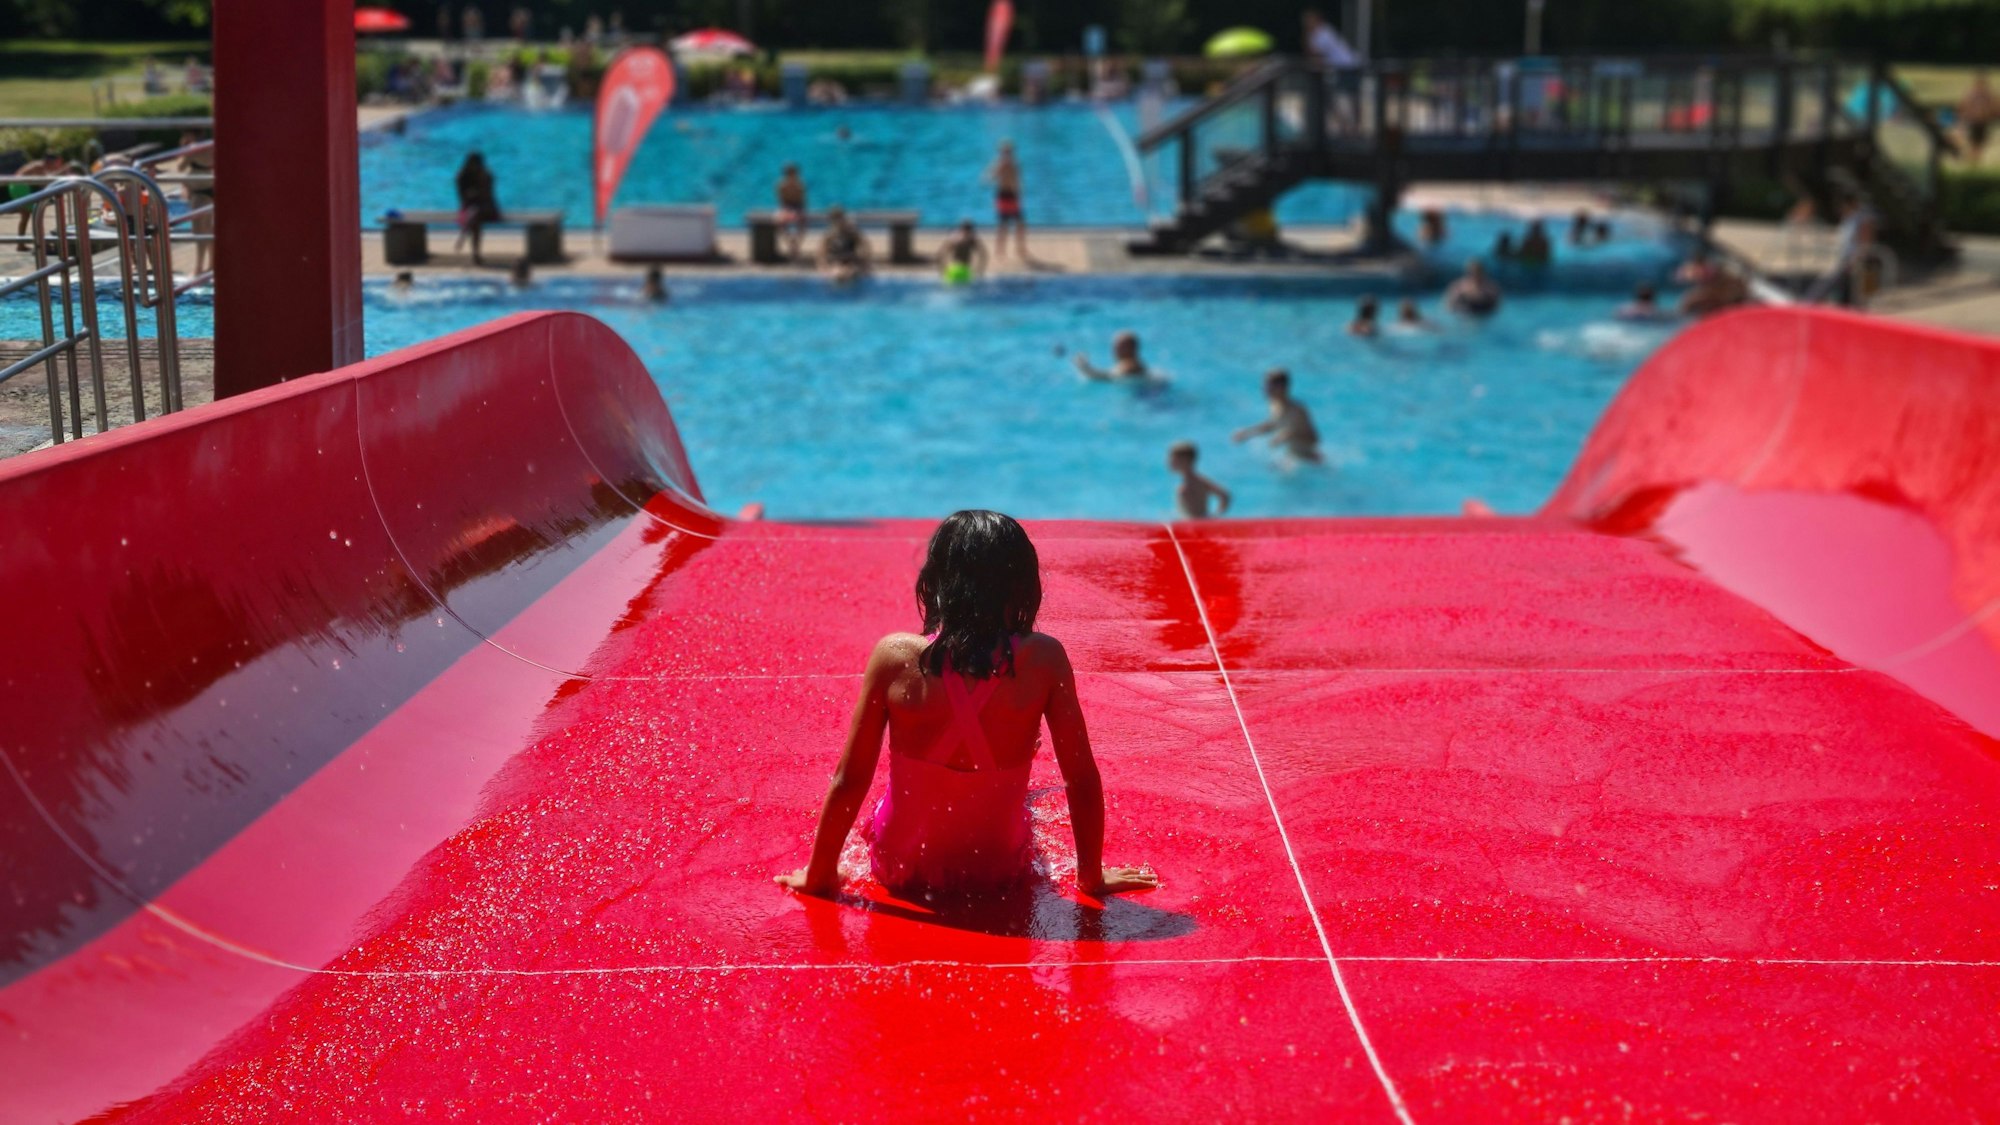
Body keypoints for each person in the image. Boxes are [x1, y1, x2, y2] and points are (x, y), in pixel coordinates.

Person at [775, 510, 1158, 901]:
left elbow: (850, 778)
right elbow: (1080, 778)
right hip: (999, 868)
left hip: (899, 865)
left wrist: (820, 875)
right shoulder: (1044, 660)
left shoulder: (894, 657)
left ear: (935, 583)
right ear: (1023, 587)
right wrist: (1091, 878)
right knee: (1027, 789)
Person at [1232, 368, 1322, 463]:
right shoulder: (1275, 405)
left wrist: (1288, 435)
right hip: (1292, 457)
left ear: (1281, 388)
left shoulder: (1297, 410)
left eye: (1269, 387)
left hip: (1310, 460)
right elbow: (1272, 424)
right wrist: (1247, 433)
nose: (1265, 390)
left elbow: (1314, 439)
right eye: (1265, 386)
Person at [177, 131, 214, 276]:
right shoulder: (210, 146)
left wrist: (184, 149)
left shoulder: (193, 149)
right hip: (210, 187)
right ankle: (212, 264)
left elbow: (180, 167)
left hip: (199, 192)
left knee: (199, 232)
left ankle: (198, 268)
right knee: (208, 229)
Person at [454, 152, 501, 265]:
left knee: (475, 214)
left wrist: (482, 183)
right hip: (470, 209)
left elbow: (489, 196)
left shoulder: (486, 175)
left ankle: (463, 235)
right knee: (475, 218)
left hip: (487, 208)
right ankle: (475, 254)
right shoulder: (462, 176)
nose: (475, 167)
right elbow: (462, 198)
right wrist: (472, 196)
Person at [984, 140, 1028, 262]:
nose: (1008, 154)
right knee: (1003, 225)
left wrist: (1020, 194)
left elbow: (1018, 180)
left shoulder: (1015, 163)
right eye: (1005, 152)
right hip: (1004, 195)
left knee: (1020, 224)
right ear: (1001, 153)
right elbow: (988, 177)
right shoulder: (999, 163)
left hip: (1014, 196)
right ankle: (1000, 250)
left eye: (1010, 151)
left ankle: (1020, 248)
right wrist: (995, 174)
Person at [1167, 442, 1231, 520]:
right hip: (1192, 524)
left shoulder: (1197, 481)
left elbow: (1225, 495)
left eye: (1173, 458)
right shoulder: (1191, 481)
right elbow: (1224, 495)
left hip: (1198, 525)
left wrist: (1215, 516)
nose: (1169, 462)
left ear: (1185, 460)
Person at [817, 206, 871, 284]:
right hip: (836, 261)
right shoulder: (830, 234)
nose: (837, 222)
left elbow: (865, 246)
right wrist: (822, 266)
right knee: (837, 274)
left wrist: (865, 263)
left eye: (839, 218)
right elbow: (821, 251)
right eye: (835, 219)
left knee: (849, 273)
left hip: (850, 261)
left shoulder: (852, 232)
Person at [1072, 330, 1150, 380]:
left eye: (1117, 347)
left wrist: (1084, 367)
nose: (1114, 351)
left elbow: (1108, 378)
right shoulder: (1138, 364)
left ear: (1129, 349)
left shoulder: (1128, 365)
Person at [1959, 71, 1996, 165]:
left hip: (1983, 121)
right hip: (1974, 121)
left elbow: (1994, 106)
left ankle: (1975, 160)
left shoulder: (1988, 94)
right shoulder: (1971, 93)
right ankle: (1972, 160)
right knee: (1974, 142)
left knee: (1981, 143)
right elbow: (1965, 106)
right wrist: (1964, 117)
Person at [937, 219, 988, 285]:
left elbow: (941, 253)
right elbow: (983, 254)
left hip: (953, 270)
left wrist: (942, 269)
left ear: (961, 228)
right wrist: (980, 269)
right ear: (971, 230)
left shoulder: (954, 238)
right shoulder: (972, 239)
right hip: (965, 271)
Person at [775, 164, 809, 261]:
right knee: (780, 222)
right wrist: (787, 211)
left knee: (802, 222)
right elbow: (781, 202)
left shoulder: (800, 185)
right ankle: (790, 243)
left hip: (798, 206)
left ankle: (795, 245)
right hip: (787, 206)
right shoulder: (781, 186)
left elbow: (802, 201)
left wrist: (799, 211)